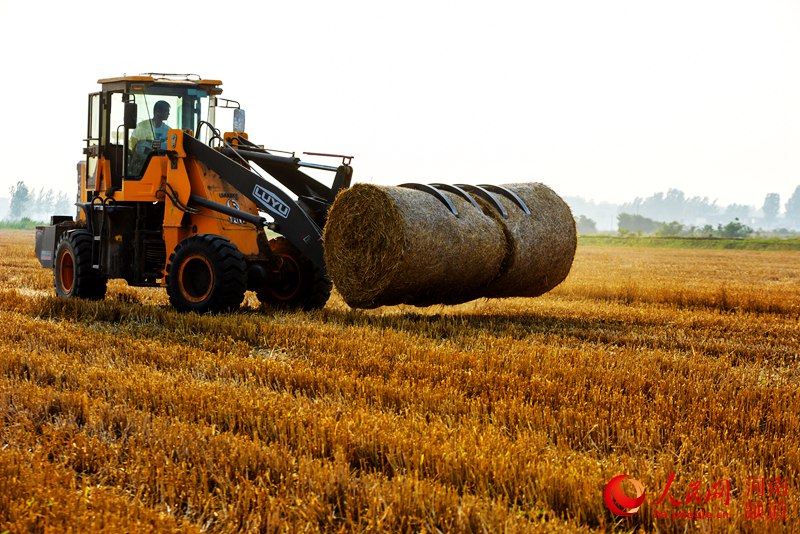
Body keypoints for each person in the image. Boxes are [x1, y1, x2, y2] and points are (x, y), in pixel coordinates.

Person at [129, 100, 172, 174]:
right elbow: (131, 147)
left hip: (161, 168)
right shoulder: (141, 127)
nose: (169, 113)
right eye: (166, 111)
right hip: (141, 168)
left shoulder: (169, 131)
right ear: (158, 111)